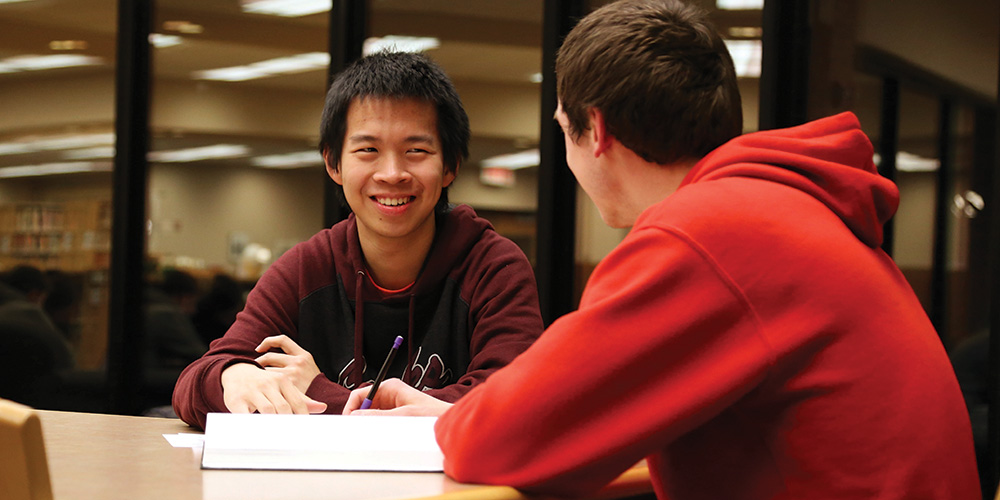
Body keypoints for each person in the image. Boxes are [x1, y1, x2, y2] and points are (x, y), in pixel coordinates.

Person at [342, 1, 980, 498]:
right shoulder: (785, 210)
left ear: (597, 131)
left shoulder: (706, 236)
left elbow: (502, 443)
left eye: (563, 132)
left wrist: (461, 421)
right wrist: (456, 413)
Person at [172, 51, 544, 430]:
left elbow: (513, 402)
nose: (392, 173)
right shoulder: (306, 269)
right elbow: (194, 384)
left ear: (450, 166)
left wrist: (320, 392)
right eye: (368, 150)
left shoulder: (493, 267)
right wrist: (231, 375)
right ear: (333, 163)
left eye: (416, 151)